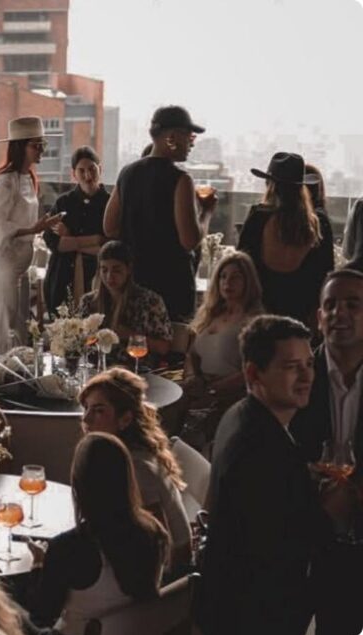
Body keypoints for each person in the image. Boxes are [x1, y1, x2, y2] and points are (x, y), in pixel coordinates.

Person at [198, 315, 333, 635]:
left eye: (309, 364)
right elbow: (279, 556)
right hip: (250, 619)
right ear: (253, 373)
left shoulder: (239, 415)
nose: (306, 377)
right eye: (291, 367)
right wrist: (330, 508)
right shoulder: (265, 452)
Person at [28, 433, 170, 635]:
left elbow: (41, 615)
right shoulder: (154, 534)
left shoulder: (69, 548)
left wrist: (39, 565)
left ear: (79, 485)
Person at [290, 270, 363, 635]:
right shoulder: (295, 375)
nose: (340, 314)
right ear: (318, 319)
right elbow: (276, 454)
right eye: (331, 305)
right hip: (302, 538)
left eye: (353, 304)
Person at [104, 105, 214, 321]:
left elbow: (109, 227)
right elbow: (189, 240)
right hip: (171, 285)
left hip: (135, 282)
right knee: (170, 348)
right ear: (171, 137)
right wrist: (206, 212)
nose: (191, 143)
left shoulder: (127, 173)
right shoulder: (180, 179)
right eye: (188, 136)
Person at [77, 369, 191, 573]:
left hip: (166, 579)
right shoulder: (120, 452)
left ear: (125, 419)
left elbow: (158, 547)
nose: (86, 419)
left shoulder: (137, 468)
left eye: (99, 410)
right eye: (86, 408)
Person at [0, 117, 62, 353]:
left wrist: (41, 226)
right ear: (21, 146)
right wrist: (33, 228)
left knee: (20, 323)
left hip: (23, 263)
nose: (42, 150)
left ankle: (17, 370)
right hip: (4, 263)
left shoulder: (29, 178)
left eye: (42, 144)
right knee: (4, 322)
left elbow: (26, 219)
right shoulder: (5, 181)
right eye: (36, 145)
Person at [237, 152, 334, 328]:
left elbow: (240, 266)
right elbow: (326, 274)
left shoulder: (258, 218)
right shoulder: (319, 224)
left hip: (259, 316)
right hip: (302, 319)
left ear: (270, 184)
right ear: (302, 188)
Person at [179, 251, 264, 449]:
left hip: (232, 395)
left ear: (248, 281)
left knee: (196, 432)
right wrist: (192, 377)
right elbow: (191, 354)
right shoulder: (210, 314)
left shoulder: (255, 321)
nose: (228, 282)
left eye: (235, 277)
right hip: (200, 388)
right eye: (223, 277)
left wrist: (213, 389)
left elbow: (253, 370)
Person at [78, 241, 172, 359]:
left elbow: (164, 347)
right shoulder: (88, 301)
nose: (109, 277)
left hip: (135, 369)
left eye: (116, 270)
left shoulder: (149, 301)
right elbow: (79, 339)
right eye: (104, 270)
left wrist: (130, 335)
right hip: (95, 366)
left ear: (129, 269)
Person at [43, 146, 107, 314]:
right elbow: (52, 241)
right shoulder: (63, 203)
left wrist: (71, 239)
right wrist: (93, 240)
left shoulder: (110, 203)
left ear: (100, 169)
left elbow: (108, 246)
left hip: (99, 277)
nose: (88, 176)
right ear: (73, 174)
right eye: (81, 171)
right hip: (62, 276)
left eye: (92, 169)